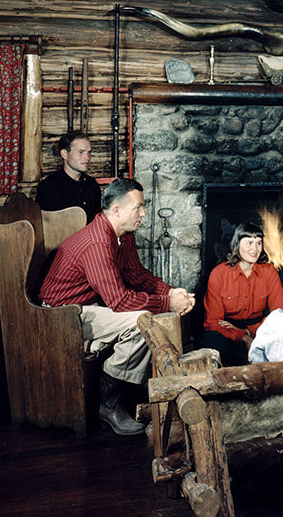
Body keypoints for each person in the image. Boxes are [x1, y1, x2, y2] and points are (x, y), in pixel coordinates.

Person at [39, 178, 195, 436]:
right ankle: (108, 404)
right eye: (139, 208)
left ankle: (140, 389)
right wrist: (168, 303)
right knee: (142, 321)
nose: (144, 213)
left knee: (148, 315)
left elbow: (137, 275)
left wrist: (169, 291)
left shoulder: (123, 236)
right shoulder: (98, 242)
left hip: (87, 305)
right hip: (61, 316)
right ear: (117, 210)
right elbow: (120, 302)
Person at [199, 221, 283, 366]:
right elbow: (212, 322)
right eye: (249, 243)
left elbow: (281, 312)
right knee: (208, 340)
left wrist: (250, 330)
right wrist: (243, 337)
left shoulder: (269, 271)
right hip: (228, 329)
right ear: (237, 245)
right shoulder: (219, 273)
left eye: (259, 243)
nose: (255, 249)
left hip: (261, 326)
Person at [36, 130, 101, 223]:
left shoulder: (92, 185)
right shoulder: (48, 187)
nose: (87, 157)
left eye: (89, 152)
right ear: (64, 154)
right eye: (81, 152)